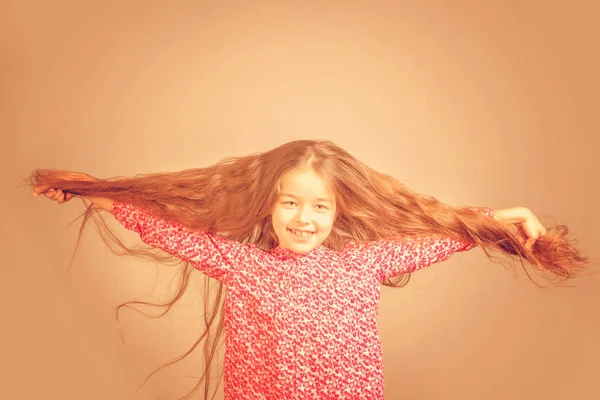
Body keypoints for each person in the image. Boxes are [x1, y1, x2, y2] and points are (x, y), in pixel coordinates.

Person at [30, 139, 587, 400]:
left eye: (320, 205)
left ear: (338, 211)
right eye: (290, 203)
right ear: (269, 207)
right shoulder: (240, 262)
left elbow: (446, 235)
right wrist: (94, 196)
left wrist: (501, 218)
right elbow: (166, 229)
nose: (304, 217)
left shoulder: (366, 259)